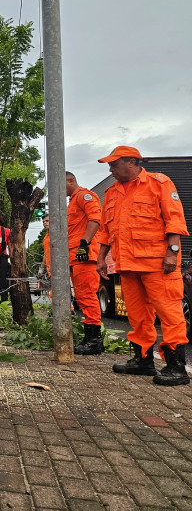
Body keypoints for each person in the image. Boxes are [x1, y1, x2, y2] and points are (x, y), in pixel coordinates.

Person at [96, 146, 189, 386]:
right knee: (137, 315)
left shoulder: (159, 183)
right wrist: (101, 259)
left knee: (169, 313)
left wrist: (172, 253)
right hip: (127, 265)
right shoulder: (112, 192)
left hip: (159, 264)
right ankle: (143, 360)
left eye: (114, 164)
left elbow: (175, 220)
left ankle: (176, 367)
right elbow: (106, 231)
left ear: (131, 162)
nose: (110, 169)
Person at [66, 172, 104, 355]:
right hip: (75, 256)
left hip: (84, 255)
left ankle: (94, 340)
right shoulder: (72, 202)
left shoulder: (84, 196)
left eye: (61, 184)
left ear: (70, 180)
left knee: (87, 295)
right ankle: (90, 338)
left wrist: (84, 243)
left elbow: (95, 218)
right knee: (81, 296)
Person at [39, 214, 51, 278]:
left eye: (47, 221)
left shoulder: (58, 236)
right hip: (50, 271)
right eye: (43, 222)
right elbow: (45, 254)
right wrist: (42, 268)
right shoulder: (45, 238)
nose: (45, 223)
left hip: (61, 269)